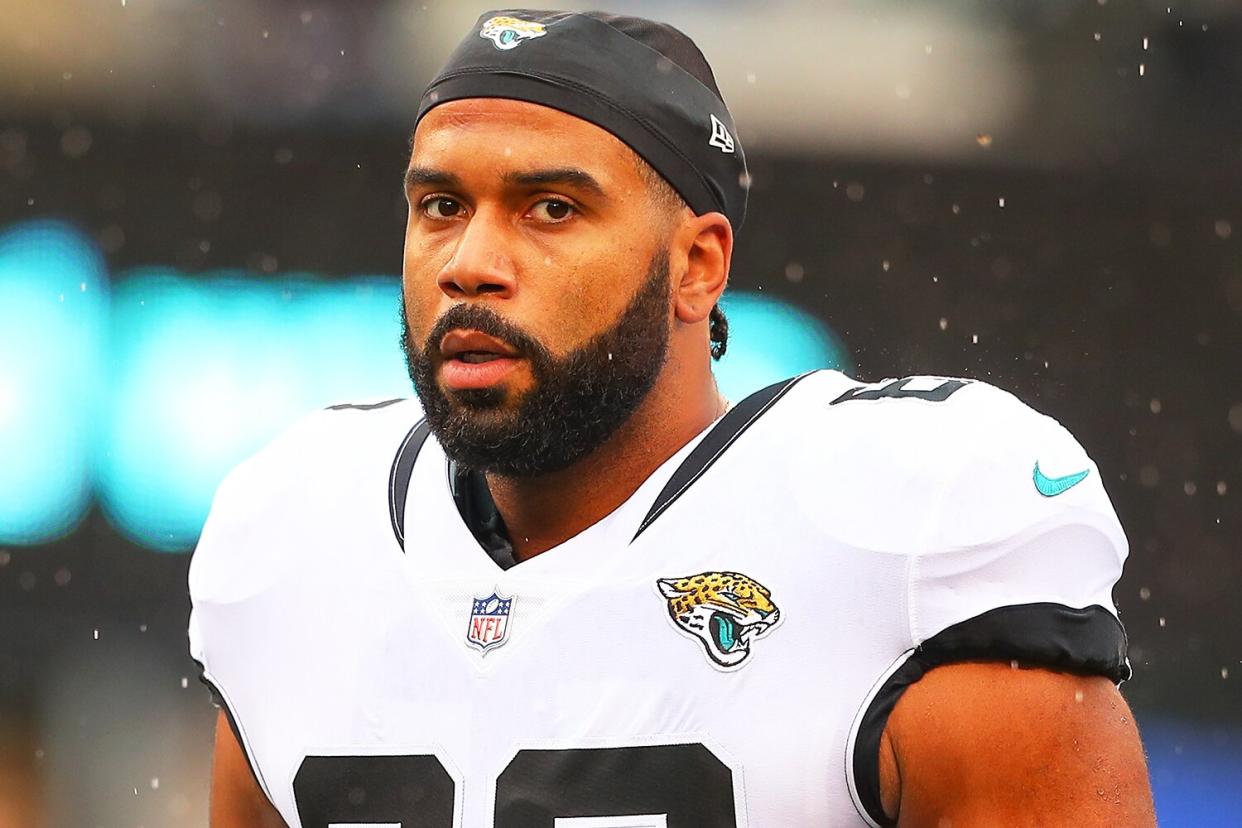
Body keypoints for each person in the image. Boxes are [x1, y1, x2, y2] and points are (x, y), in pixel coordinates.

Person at [189, 9, 1155, 827]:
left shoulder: (902, 524)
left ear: (697, 265)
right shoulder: (294, 527)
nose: (470, 263)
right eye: (441, 204)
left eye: (551, 209)